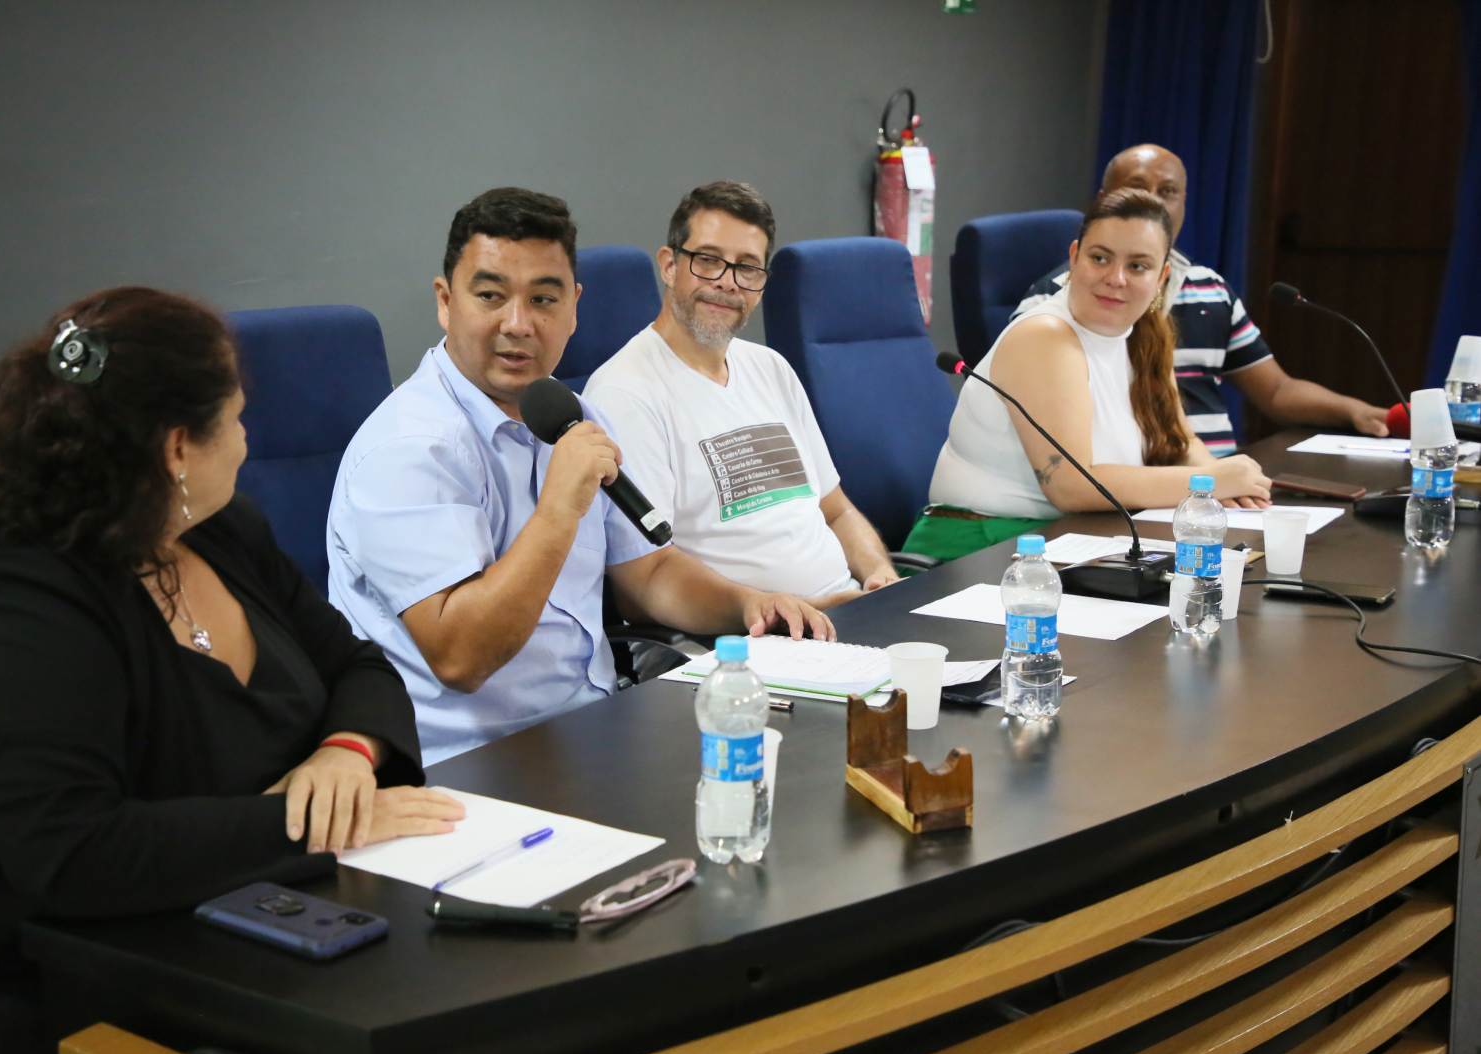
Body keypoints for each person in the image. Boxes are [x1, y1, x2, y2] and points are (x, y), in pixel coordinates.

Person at [0, 287, 462, 1054]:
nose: (247, 441)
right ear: (179, 448)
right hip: (62, 989)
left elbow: (358, 664)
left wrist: (345, 754)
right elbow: (73, 855)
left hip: (257, 928)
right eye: (237, 419)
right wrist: (313, 825)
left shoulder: (221, 532)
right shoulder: (18, 600)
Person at [327, 188, 832, 766]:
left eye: (544, 299)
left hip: (589, 729)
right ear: (445, 302)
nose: (518, 324)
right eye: (490, 296)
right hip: (468, 763)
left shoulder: (570, 416)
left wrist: (749, 605)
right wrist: (558, 509)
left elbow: (653, 573)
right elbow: (461, 658)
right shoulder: (410, 448)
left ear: (574, 308)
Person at [908, 190, 1273, 561]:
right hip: (978, 546)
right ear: (1074, 258)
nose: (1116, 278)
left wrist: (1228, 486)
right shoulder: (1044, 336)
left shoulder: (1146, 333)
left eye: (1138, 266)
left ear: (1162, 277)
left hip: (1073, 535)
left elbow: (1180, 441)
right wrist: (1210, 482)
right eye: (1100, 258)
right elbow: (1071, 485)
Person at [583, 181, 898, 606]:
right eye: (708, 260)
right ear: (670, 266)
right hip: (747, 635)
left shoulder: (770, 368)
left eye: (747, 268)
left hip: (847, 613)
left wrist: (879, 574)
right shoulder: (625, 393)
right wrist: (793, 611)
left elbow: (836, 510)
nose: (728, 282)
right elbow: (645, 578)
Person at [1018, 143, 1389, 454]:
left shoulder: (1210, 289)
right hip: (1130, 482)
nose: (1153, 202)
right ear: (1104, 201)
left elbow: (1276, 390)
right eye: (1137, 188)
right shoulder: (1057, 301)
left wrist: (1353, 410)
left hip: (1214, 477)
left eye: (1168, 192)